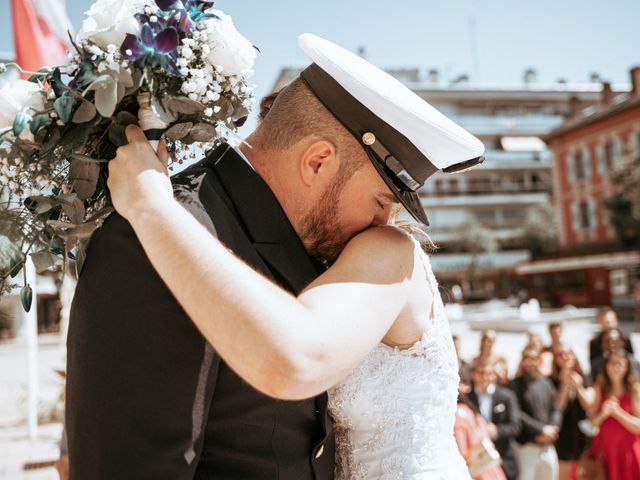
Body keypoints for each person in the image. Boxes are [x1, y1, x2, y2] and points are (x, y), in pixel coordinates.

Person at [67, 33, 485, 479]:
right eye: (382, 201)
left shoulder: (320, 248)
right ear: (318, 162)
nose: (383, 223)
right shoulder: (156, 231)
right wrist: (152, 207)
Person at [509, 346, 562, 480]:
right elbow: (517, 414)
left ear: (539, 361)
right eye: (525, 358)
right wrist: (541, 430)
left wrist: (552, 429)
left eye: (532, 358)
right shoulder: (514, 385)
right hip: (527, 447)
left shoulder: (546, 383)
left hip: (548, 447)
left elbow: (555, 409)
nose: (529, 362)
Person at [468, 359, 522, 480]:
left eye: (489, 373)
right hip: (477, 463)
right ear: (474, 374)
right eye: (481, 373)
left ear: (493, 375)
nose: (485, 377)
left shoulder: (507, 396)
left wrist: (496, 430)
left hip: (504, 460)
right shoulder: (467, 398)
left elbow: (516, 425)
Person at [590, 350, 640, 479]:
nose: (616, 367)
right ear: (605, 366)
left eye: (620, 364)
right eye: (612, 363)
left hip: (630, 453)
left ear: (627, 367)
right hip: (606, 453)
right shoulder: (600, 388)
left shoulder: (634, 389)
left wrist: (618, 413)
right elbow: (590, 425)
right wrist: (603, 414)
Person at [455, 370, 508, 480]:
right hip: (481, 466)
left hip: (480, 465)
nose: (467, 387)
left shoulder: (463, 410)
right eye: (464, 383)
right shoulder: (464, 410)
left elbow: (463, 451)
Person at [550, 346, 593, 480]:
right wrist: (564, 384)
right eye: (561, 355)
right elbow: (558, 407)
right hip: (563, 436)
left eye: (569, 353)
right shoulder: (552, 381)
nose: (565, 357)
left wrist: (578, 387)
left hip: (582, 435)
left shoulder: (585, 378)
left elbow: (589, 406)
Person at [589, 307, 633, 372]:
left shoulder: (626, 339)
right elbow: (593, 365)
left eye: (610, 321)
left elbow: (632, 362)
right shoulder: (594, 342)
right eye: (605, 322)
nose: (609, 325)